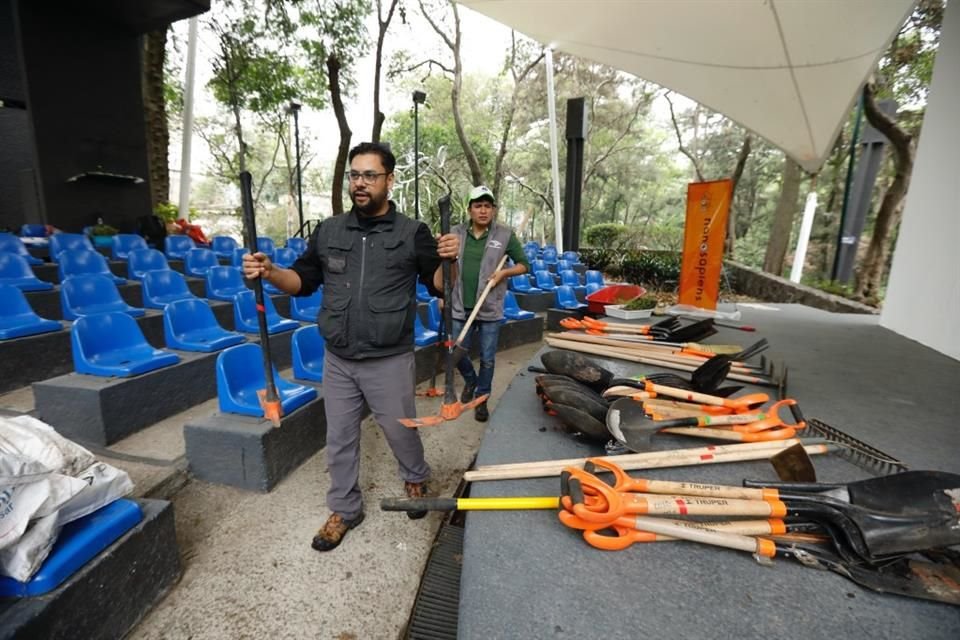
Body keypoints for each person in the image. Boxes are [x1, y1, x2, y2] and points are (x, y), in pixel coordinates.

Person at [242, 142, 460, 552]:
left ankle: (415, 477)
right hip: (338, 358)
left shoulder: (412, 233)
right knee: (339, 437)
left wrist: (450, 260)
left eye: (369, 176)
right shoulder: (329, 231)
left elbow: (438, 283)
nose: (360, 183)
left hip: (389, 358)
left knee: (400, 431)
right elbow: (302, 281)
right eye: (354, 175)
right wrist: (270, 272)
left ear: (389, 181)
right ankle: (345, 508)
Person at [450, 185, 530, 422]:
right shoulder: (455, 232)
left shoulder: (504, 235)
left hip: (489, 307)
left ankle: (482, 399)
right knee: (455, 351)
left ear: (493, 209)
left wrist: (503, 274)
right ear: (469, 209)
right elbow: (443, 264)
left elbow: (524, 264)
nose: (483, 211)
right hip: (458, 304)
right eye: (478, 206)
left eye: (487, 206)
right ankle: (471, 381)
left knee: (487, 358)